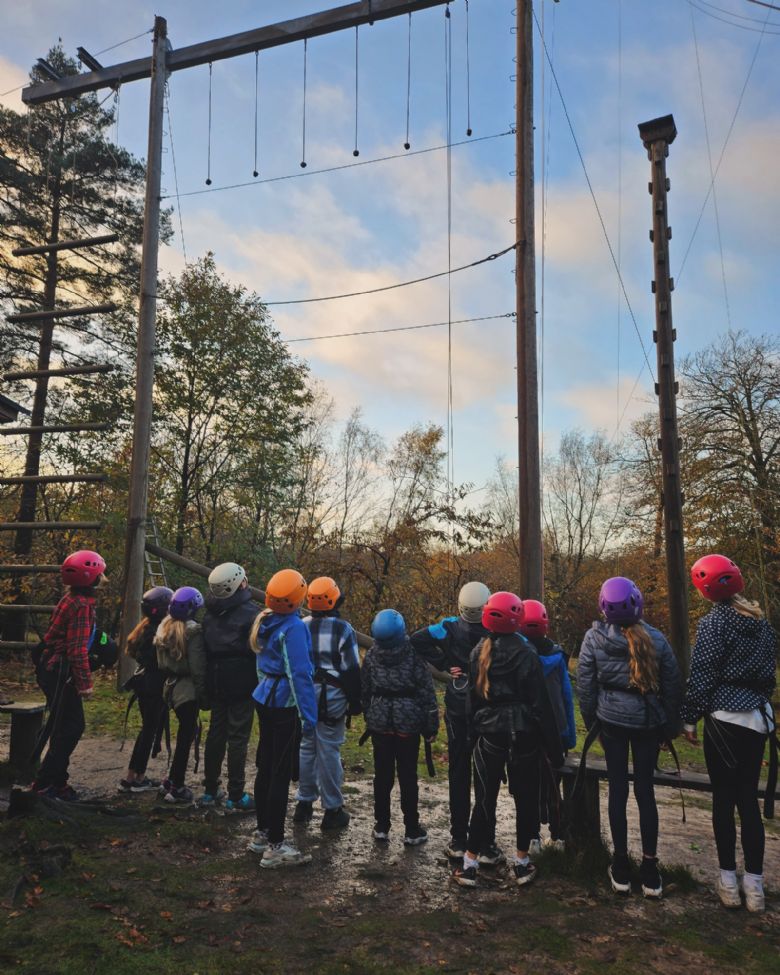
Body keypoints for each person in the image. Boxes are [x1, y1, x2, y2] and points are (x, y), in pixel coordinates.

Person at [681, 554, 777, 913]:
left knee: (723, 800)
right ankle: (755, 886)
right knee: (748, 800)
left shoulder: (713, 624)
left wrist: (689, 718)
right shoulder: (761, 624)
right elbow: (768, 676)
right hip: (756, 720)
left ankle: (727, 879)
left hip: (723, 720)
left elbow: (703, 674)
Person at [577, 577, 683, 899]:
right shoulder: (657, 639)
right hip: (647, 724)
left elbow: (586, 689)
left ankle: (620, 865)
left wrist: (594, 725)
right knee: (645, 791)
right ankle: (650, 871)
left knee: (618, 791)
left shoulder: (593, 638)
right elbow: (673, 687)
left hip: (611, 724)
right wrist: (668, 728)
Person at [453, 592, 564, 889]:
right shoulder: (527, 653)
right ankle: (522, 862)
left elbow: (472, 701)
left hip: (489, 735)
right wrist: (555, 749)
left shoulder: (479, 651)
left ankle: (469, 864)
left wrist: (469, 738)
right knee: (526, 799)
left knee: (485, 800)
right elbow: (540, 704)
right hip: (524, 734)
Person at [410, 581, 496, 861]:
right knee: (487, 774)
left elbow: (417, 640)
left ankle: (459, 839)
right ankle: (485, 842)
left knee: (459, 772)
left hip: (458, 704)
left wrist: (445, 662)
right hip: (488, 705)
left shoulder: (447, 627)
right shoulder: (496, 630)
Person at [248, 569, 318, 868]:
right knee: (278, 772)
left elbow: (262, 665)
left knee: (266, 766)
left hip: (264, 697)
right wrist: (309, 716)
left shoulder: (264, 620)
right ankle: (275, 845)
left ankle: (262, 833)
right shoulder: (293, 627)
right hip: (284, 704)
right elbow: (299, 674)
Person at [32, 550, 106, 801]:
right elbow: (76, 649)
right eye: (100, 574)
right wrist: (85, 684)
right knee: (73, 727)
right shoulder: (82, 606)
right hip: (60, 671)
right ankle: (44, 783)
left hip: (50, 668)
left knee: (63, 725)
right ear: (90, 578)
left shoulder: (70, 599)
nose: (102, 578)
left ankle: (57, 782)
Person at [362, 608, 439, 847]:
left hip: (380, 721)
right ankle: (412, 828)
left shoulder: (372, 654)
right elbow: (426, 691)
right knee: (408, 775)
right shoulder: (413, 654)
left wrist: (370, 714)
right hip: (408, 721)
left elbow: (365, 688)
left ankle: (382, 825)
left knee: (382, 775)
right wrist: (430, 725)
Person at [293, 576, 361, 830]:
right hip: (331, 697)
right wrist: (356, 701)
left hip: (305, 696)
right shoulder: (343, 629)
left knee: (307, 746)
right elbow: (351, 669)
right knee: (329, 749)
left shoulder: (301, 625)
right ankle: (332, 809)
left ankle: (304, 803)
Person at [200, 562, 259, 811]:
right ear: (240, 583)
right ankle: (236, 794)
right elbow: (256, 647)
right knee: (237, 737)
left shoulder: (209, 614)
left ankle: (210, 790)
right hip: (242, 681)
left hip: (216, 679)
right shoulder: (252, 613)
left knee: (216, 734)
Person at [520, 599, 576, 854]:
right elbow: (566, 697)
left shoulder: (516, 656)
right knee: (553, 784)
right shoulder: (557, 656)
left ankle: (532, 838)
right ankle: (559, 836)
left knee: (527, 785)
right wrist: (569, 735)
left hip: (526, 730)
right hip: (555, 729)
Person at [155, 586, 208, 803]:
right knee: (187, 736)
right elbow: (197, 668)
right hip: (187, 691)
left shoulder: (164, 628)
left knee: (185, 734)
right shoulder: (192, 631)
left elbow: (161, 664)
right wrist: (204, 695)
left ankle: (171, 780)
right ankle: (176, 785)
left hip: (171, 689)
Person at [119, 586, 173, 794]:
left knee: (148, 730)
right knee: (149, 731)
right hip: (154, 686)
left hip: (145, 685)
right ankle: (136, 777)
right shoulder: (159, 631)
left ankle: (134, 775)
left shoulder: (145, 627)